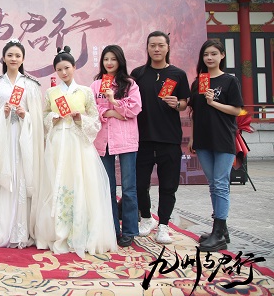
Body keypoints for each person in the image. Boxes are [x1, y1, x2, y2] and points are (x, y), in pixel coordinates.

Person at [34, 46, 117, 257]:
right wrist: (54, 118)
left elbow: (95, 119)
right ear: (55, 71)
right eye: (59, 69)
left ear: (74, 67)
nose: (64, 72)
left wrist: (80, 118)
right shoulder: (51, 93)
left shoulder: (85, 92)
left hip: (79, 143)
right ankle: (59, 232)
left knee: (81, 181)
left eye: (67, 68)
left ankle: (82, 232)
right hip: (58, 142)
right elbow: (43, 117)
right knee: (58, 181)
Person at [0, 39, 43, 249]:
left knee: (22, 178)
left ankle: (21, 231)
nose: (14, 59)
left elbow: (38, 118)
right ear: (4, 58)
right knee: (4, 178)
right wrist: (2, 113)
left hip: (24, 138)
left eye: (17, 55)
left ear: (23, 59)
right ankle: (2, 230)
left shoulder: (31, 85)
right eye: (10, 55)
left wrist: (26, 115)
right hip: (3, 138)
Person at [131, 31, 190, 244]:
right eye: (152, 45)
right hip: (143, 139)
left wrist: (178, 104)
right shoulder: (138, 74)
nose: (156, 49)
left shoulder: (178, 74)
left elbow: (185, 102)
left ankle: (163, 225)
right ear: (147, 48)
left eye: (160, 45)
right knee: (139, 184)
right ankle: (147, 218)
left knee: (168, 185)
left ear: (167, 48)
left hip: (169, 138)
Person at [188, 39, 242, 252]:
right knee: (213, 184)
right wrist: (192, 138)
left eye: (213, 54)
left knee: (220, 183)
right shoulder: (199, 82)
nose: (209, 58)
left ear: (222, 56)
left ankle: (218, 234)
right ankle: (221, 230)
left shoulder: (230, 81)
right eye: (206, 54)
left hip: (223, 138)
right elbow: (195, 112)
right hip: (203, 139)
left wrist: (214, 103)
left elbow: (237, 110)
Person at [90, 45, 142, 248]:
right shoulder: (96, 85)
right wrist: (111, 112)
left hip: (126, 140)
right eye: (106, 59)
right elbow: (92, 109)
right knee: (108, 188)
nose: (109, 63)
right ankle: (112, 229)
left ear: (120, 61)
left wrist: (114, 102)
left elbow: (135, 108)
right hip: (103, 141)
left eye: (113, 59)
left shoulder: (129, 84)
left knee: (128, 188)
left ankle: (129, 231)